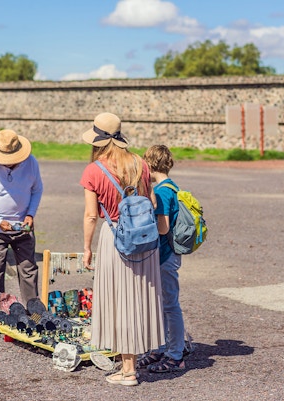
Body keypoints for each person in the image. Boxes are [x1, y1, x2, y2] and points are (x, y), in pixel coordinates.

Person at [80, 112, 164, 386]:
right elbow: (151, 202)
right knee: (137, 298)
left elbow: (91, 215)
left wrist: (87, 248)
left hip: (115, 238)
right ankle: (132, 361)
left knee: (119, 300)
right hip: (143, 238)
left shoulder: (94, 170)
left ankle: (128, 371)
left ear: (97, 141)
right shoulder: (141, 164)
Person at [0, 129, 43, 307]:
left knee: (28, 269)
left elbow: (36, 190)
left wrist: (30, 214)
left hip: (23, 226)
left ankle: (33, 310)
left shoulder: (31, 162)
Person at [140, 144, 186, 372]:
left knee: (169, 305)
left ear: (149, 164)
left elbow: (163, 228)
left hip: (165, 255)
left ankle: (176, 354)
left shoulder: (161, 192)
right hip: (170, 254)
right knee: (160, 304)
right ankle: (160, 347)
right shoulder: (172, 186)